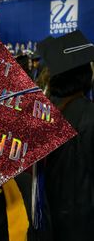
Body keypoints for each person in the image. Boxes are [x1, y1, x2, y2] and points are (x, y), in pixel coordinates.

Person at [37, 30, 94, 241]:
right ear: (85, 75)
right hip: (83, 224)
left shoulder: (43, 114)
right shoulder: (89, 116)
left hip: (49, 222)